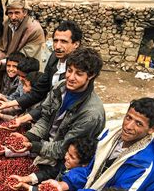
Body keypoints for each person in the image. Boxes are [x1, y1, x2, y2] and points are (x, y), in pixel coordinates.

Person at [42, 98, 154, 191]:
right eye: (128, 117)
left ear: (152, 129)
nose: (128, 126)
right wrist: (63, 185)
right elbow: (91, 170)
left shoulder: (145, 165)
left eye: (138, 123)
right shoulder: (110, 136)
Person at [11, 47, 105, 181]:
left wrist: (34, 146)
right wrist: (28, 137)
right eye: (69, 70)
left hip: (66, 163)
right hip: (49, 147)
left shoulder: (91, 114)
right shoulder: (60, 87)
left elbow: (65, 149)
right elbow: (46, 118)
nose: (71, 77)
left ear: (90, 76)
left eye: (78, 73)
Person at [0, 20, 82, 124]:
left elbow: (57, 102)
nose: (57, 46)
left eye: (63, 41)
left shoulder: (78, 69)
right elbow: (40, 90)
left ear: (76, 44)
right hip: (48, 112)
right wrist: (9, 103)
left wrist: (24, 118)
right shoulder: (54, 58)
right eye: (55, 41)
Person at [0, 0, 44, 90]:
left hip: (25, 71)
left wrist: (2, 63)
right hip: (9, 66)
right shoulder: (7, 23)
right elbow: (2, 46)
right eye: (10, 13)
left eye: (17, 13)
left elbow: (25, 56)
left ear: (24, 12)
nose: (13, 17)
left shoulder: (35, 30)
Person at [8, 136, 98, 191]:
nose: (66, 157)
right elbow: (50, 172)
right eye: (67, 152)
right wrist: (24, 179)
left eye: (72, 157)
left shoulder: (78, 176)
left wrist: (25, 186)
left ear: (84, 164)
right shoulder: (68, 164)